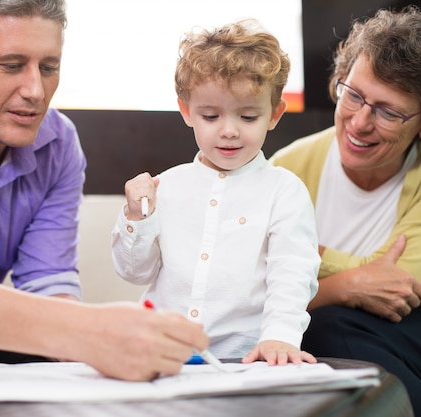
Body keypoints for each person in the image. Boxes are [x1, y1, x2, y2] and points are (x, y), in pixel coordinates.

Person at [0, 0, 209, 382]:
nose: (36, 90)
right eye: (12, 66)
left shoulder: (58, 143)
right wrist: (87, 331)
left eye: (49, 67)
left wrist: (91, 352)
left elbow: (48, 279)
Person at [269, 5, 421, 416]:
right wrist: (350, 284)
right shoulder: (287, 168)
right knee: (314, 334)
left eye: (388, 111)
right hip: (339, 320)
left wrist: (310, 259)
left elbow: (401, 286)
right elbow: (257, 285)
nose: (359, 122)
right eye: (353, 94)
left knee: (324, 330)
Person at [111, 19, 321, 365]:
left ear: (274, 114)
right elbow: (136, 273)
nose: (229, 131)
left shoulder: (284, 191)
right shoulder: (166, 186)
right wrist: (137, 217)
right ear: (186, 111)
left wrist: (280, 338)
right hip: (164, 355)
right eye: (210, 116)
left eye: (248, 117)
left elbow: (292, 273)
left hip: (246, 360)